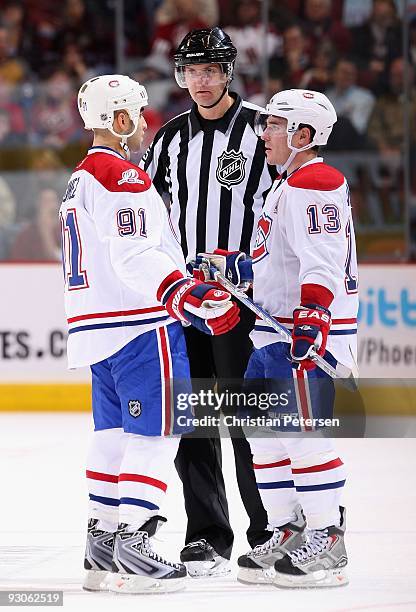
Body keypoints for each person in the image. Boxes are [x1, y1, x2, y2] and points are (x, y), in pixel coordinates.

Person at [60, 74, 239, 594]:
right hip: (139, 326)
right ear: (118, 120)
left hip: (97, 330)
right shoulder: (123, 177)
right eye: (137, 114)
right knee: (158, 434)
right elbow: (134, 253)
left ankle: (103, 538)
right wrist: (180, 292)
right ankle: (135, 542)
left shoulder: (80, 178)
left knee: (112, 436)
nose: (143, 124)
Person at [200, 89, 358, 588]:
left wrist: (314, 318)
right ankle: (290, 528)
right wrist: (239, 267)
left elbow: (323, 262)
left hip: (300, 332)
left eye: (272, 125)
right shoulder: (287, 183)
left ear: (303, 135)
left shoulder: (316, 180)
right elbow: (281, 258)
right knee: (264, 438)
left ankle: (328, 539)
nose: (262, 132)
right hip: (273, 330)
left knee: (303, 437)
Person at [140, 27, 274, 576]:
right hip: (188, 302)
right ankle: (207, 535)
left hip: (243, 300)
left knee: (248, 420)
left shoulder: (263, 131)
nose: (201, 80)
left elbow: (282, 208)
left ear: (229, 71)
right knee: (194, 420)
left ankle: (270, 530)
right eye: (192, 70)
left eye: (211, 69)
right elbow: (146, 210)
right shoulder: (170, 138)